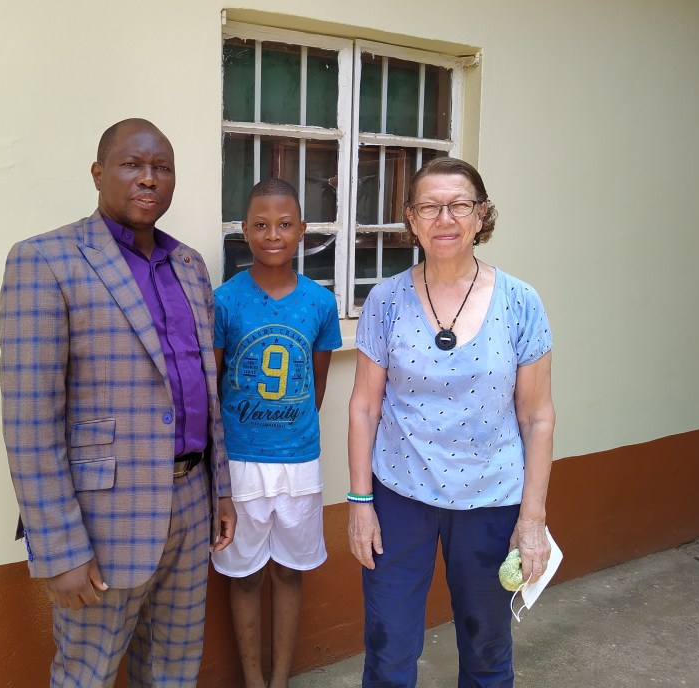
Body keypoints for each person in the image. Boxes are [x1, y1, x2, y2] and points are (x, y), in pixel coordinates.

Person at [0, 118, 237, 687]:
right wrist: (59, 549)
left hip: (191, 502)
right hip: (103, 520)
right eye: (133, 165)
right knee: (88, 673)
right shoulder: (46, 261)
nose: (149, 178)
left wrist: (221, 490)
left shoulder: (189, 266)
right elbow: (30, 422)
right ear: (98, 173)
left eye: (162, 168)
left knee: (175, 668)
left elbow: (205, 390)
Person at [347, 156, 555, 688]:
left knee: (487, 652)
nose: (445, 219)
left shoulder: (520, 302)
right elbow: (364, 406)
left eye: (459, 205)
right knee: (388, 650)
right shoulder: (386, 300)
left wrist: (532, 519)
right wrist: (360, 503)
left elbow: (537, 416)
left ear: (481, 215)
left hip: (491, 502)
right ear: (411, 219)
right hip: (399, 498)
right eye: (430, 207)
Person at [211, 178, 342, 688]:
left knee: (289, 571)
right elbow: (215, 384)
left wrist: (287, 428)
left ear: (302, 230)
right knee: (244, 575)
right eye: (261, 225)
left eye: (284, 224)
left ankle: (280, 679)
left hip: (298, 463)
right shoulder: (224, 301)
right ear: (244, 231)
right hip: (240, 464)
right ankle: (253, 679)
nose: (272, 235)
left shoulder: (320, 303)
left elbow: (317, 385)